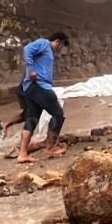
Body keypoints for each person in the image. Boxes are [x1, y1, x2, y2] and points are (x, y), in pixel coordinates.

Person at [17, 32, 70, 163]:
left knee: (32, 119)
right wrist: (31, 69)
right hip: (40, 86)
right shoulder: (44, 43)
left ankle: (22, 154)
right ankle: (50, 147)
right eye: (61, 45)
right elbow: (27, 49)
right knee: (58, 114)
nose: (60, 49)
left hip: (31, 87)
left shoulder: (47, 50)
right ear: (58, 41)